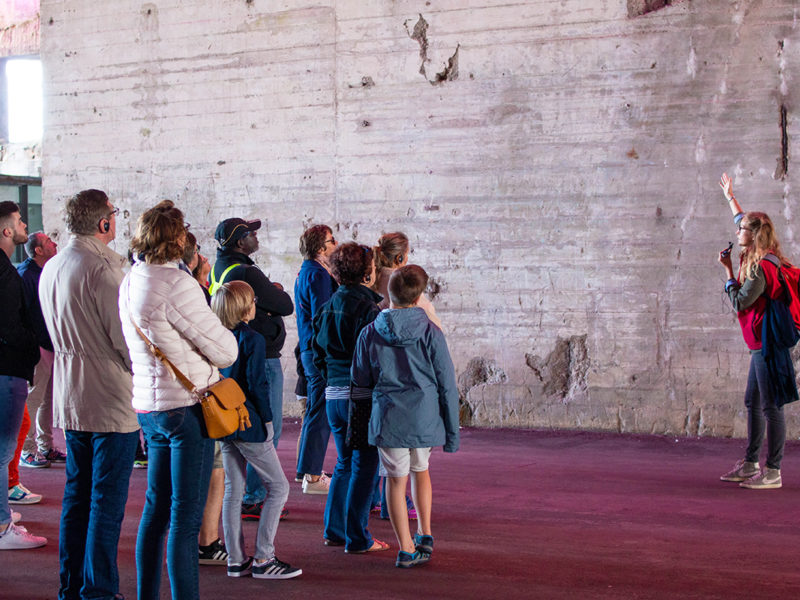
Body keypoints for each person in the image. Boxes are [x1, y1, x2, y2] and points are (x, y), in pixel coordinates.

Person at [119, 200, 238, 600]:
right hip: (187, 407)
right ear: (178, 239)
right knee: (186, 520)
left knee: (155, 512)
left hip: (150, 408)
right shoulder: (177, 283)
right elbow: (225, 351)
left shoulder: (131, 279)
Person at [39, 189, 138, 597]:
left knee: (77, 497)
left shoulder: (54, 266)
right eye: (115, 214)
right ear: (104, 223)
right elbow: (124, 341)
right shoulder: (105, 271)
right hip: (110, 396)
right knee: (106, 502)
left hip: (70, 393)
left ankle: (72, 585)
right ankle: (98, 590)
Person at [351, 265, 459, 568]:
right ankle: (425, 531)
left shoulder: (370, 332)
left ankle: (406, 547)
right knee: (421, 471)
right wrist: (451, 434)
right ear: (418, 296)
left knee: (395, 482)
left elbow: (360, 382)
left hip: (388, 417)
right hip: (423, 414)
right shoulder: (431, 332)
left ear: (389, 293)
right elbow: (447, 384)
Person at [211, 280, 301, 579]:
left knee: (233, 491)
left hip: (222, 422)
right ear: (243, 308)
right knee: (279, 487)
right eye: (252, 300)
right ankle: (264, 557)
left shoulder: (214, 337)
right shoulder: (252, 339)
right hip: (247, 420)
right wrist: (267, 421)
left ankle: (236, 558)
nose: (256, 305)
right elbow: (257, 385)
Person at [211, 218, 294, 512]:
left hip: (232, 352)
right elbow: (285, 304)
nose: (256, 236)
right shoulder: (247, 272)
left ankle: (246, 497)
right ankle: (257, 497)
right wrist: (274, 290)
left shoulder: (219, 267)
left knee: (240, 427)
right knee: (265, 427)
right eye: (250, 233)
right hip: (261, 354)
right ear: (238, 242)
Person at [717, 173, 792, 490]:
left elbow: (739, 302)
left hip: (768, 344)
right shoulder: (759, 251)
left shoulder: (760, 268)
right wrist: (730, 196)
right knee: (753, 401)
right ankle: (750, 463)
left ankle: (772, 471)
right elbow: (743, 217)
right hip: (759, 343)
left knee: (770, 406)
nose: (737, 231)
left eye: (742, 229)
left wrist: (728, 272)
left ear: (755, 235)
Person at [312, 242, 389, 553]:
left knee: (344, 464)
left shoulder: (325, 308)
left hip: (333, 394)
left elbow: (316, 353)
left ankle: (334, 531)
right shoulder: (370, 310)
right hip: (360, 396)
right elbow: (374, 356)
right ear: (368, 273)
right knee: (365, 466)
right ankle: (358, 538)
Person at [0, 200, 46, 550]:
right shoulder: (4, 272)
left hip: (9, 368)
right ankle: (3, 527)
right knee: (2, 451)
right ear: (6, 230)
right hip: (7, 368)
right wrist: (33, 345)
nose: (23, 227)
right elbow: (9, 326)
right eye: (18, 222)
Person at [184, 232, 229, 567]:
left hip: (157, 399)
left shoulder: (134, 283)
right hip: (191, 395)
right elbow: (222, 349)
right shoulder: (185, 291)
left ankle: (197, 542)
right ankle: (206, 541)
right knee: (212, 470)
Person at [295, 224, 338, 493]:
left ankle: (308, 469)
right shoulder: (317, 275)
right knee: (319, 412)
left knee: (316, 410)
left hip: (313, 350)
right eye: (332, 241)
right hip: (319, 352)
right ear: (321, 249)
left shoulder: (309, 272)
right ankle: (311, 475)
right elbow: (323, 315)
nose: (336, 244)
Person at [17, 232, 65, 468]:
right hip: (37, 345)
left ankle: (46, 446)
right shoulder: (26, 275)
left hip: (50, 342)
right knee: (33, 397)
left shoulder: (45, 270)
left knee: (47, 398)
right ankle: (27, 450)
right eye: (48, 242)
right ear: (38, 250)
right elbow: (23, 313)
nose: (54, 243)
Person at [372, 232, 441, 329]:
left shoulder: (371, 278)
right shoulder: (402, 282)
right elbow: (432, 321)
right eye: (406, 254)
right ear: (399, 258)